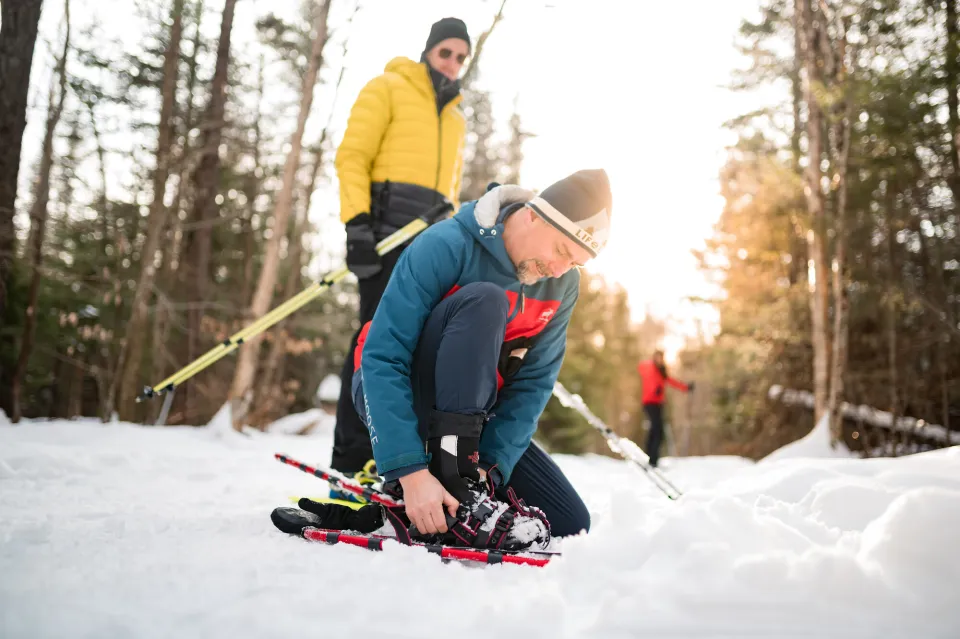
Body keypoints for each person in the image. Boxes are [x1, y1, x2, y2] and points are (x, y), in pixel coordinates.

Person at [344, 169, 613, 551]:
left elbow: (533, 384)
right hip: (398, 390)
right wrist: (409, 470)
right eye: (560, 251)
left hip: (472, 422)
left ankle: (464, 480)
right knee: (486, 300)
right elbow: (383, 357)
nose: (558, 270)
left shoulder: (562, 285)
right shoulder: (446, 245)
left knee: (568, 522)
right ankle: (445, 477)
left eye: (575, 264)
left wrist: (490, 466)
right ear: (534, 214)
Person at [330, 18, 471, 484]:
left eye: (461, 57)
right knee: (374, 338)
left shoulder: (455, 116)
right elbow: (352, 156)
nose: (452, 64)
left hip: (429, 241)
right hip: (384, 235)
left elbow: (449, 189)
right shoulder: (388, 86)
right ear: (429, 50)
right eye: (446, 52)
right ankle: (352, 459)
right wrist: (357, 227)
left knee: (420, 343)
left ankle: (400, 455)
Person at [636, 349, 694, 468]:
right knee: (657, 431)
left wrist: (685, 388)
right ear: (654, 357)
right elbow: (647, 376)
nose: (660, 360)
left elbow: (671, 381)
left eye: (661, 358)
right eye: (657, 357)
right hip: (649, 403)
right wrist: (655, 389)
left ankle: (650, 459)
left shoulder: (661, 371)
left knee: (655, 431)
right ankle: (652, 460)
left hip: (658, 404)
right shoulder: (650, 368)